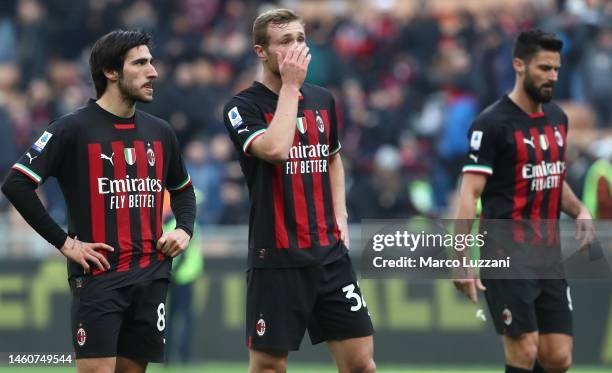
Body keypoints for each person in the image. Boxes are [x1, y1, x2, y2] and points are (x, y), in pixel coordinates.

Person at [1, 30, 196, 373]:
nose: (153, 72)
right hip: (99, 277)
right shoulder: (71, 129)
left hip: (151, 277)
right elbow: (16, 183)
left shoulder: (161, 132)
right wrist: (64, 242)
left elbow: (182, 189)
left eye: (151, 62)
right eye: (140, 63)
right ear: (111, 71)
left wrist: (184, 230)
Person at [222, 9, 375, 373]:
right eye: (285, 41)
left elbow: (333, 159)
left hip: (329, 255)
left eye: (301, 39)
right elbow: (275, 151)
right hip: (277, 258)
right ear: (261, 51)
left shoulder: (322, 100)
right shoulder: (242, 107)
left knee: (361, 365)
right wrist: (290, 87)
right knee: (269, 367)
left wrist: (341, 215)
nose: (296, 48)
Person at [453, 29, 594, 373]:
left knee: (558, 357)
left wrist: (580, 209)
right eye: (544, 68)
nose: (553, 77)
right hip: (505, 253)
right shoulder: (491, 124)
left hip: (547, 254)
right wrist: (459, 258)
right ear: (519, 65)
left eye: (556, 69)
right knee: (524, 349)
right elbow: (469, 193)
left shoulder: (557, 119)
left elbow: (552, 177)